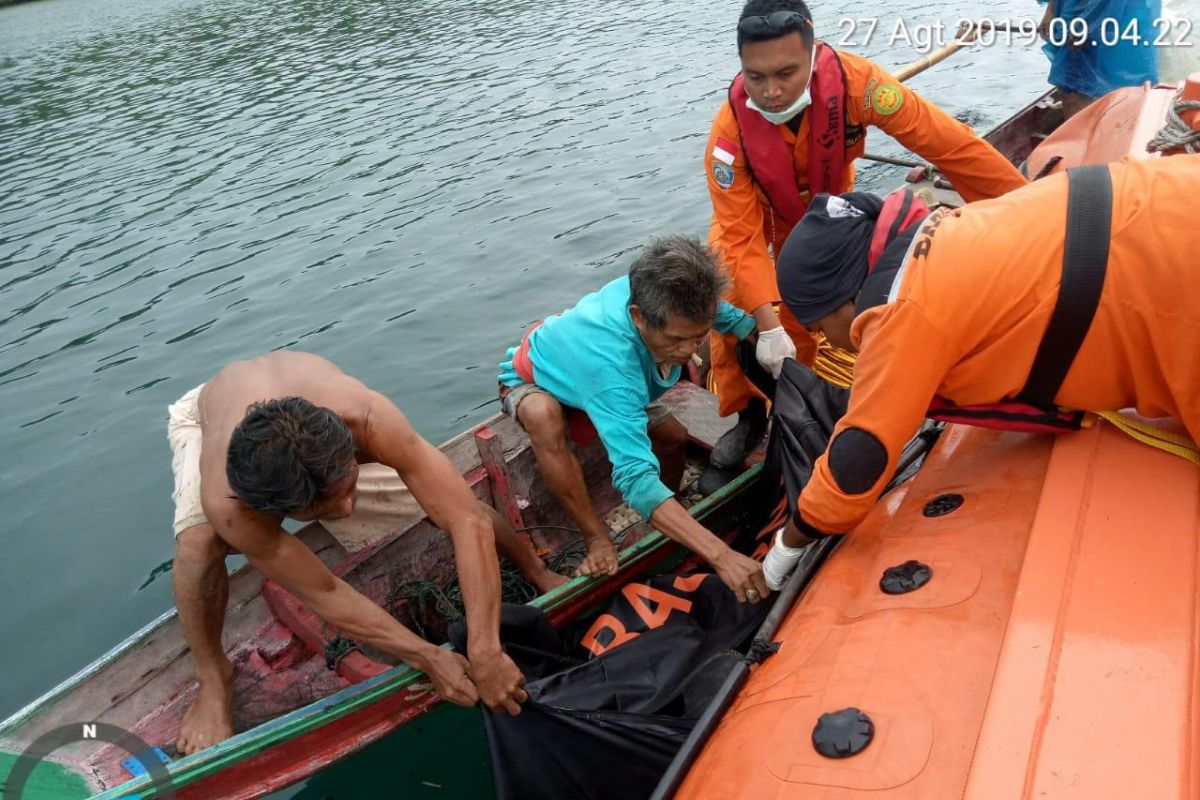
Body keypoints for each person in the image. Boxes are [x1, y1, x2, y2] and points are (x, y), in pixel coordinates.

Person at [758, 153, 1200, 587]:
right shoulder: (942, 225)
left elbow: (859, 459)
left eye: (819, 327)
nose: (829, 343)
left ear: (844, 300)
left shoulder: (899, 310)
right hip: (1170, 193)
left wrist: (787, 546)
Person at [168, 351, 567, 754]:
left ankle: (534, 566)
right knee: (200, 544)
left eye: (347, 493)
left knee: (450, 503)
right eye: (324, 511)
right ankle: (213, 675)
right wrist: (426, 656)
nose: (345, 511)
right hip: (212, 418)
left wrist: (485, 650)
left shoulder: (369, 418)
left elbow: (467, 522)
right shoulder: (232, 502)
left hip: (304, 413)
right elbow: (323, 591)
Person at [703, 0, 1029, 476]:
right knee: (732, 309)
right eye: (756, 77)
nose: (771, 92)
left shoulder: (863, 88)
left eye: (786, 73)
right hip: (756, 220)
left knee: (804, 314)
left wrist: (1027, 206)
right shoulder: (728, 139)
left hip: (824, 209)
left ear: (813, 54)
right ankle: (747, 415)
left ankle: (803, 402)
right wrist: (765, 324)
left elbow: (951, 147)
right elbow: (740, 241)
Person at [497, 235, 771, 604]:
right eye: (677, 340)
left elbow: (731, 319)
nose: (690, 351)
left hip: (601, 369)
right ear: (639, 317)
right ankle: (597, 539)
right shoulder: (611, 367)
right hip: (538, 377)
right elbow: (634, 478)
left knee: (673, 439)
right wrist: (720, 555)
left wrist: (772, 343)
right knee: (543, 417)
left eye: (698, 338)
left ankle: (666, 513)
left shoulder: (673, 296)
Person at [1037, 0, 1161, 118]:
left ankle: (1087, 132)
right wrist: (1051, 10)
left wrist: (1087, 21)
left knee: (1077, 81)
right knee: (1073, 79)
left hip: (1110, 11)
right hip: (1079, 11)